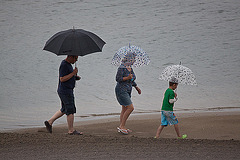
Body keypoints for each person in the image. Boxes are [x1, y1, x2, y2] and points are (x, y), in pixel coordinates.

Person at [44, 55, 82, 135]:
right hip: (65, 91)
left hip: (65, 90)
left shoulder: (68, 65)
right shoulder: (64, 65)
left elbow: (67, 77)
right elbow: (62, 79)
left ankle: (49, 122)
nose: (76, 61)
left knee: (64, 109)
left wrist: (75, 77)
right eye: (75, 58)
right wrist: (73, 73)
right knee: (70, 110)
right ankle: (71, 130)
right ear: (70, 57)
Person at [115, 52, 141, 135]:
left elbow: (132, 80)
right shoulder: (121, 67)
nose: (134, 60)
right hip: (121, 90)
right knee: (130, 108)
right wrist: (127, 77)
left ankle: (122, 126)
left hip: (128, 90)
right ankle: (122, 126)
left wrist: (136, 87)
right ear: (129, 58)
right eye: (133, 58)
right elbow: (118, 79)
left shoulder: (130, 68)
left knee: (125, 108)